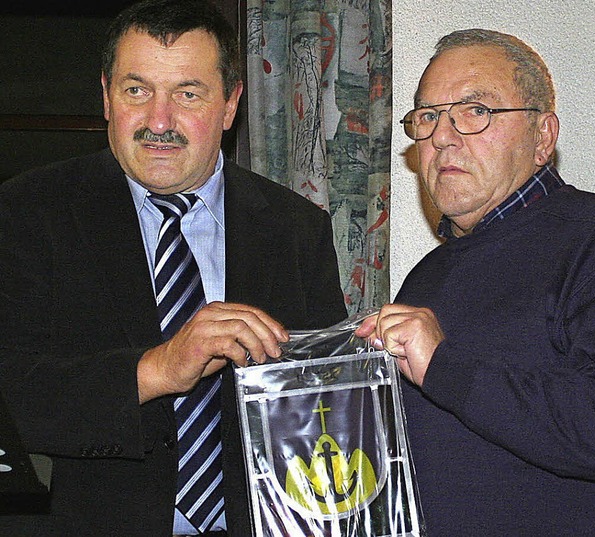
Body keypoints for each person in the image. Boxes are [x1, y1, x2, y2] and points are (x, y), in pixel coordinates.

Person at [0, 0, 346, 535]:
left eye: (188, 94)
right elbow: (15, 395)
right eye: (136, 90)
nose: (159, 121)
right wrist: (159, 368)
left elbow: (322, 406)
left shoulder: (296, 228)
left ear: (230, 106)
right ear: (107, 98)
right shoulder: (28, 212)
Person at [356, 29, 595, 535]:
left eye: (474, 111)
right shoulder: (428, 274)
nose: (442, 136)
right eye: (427, 117)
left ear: (543, 137)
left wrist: (446, 368)